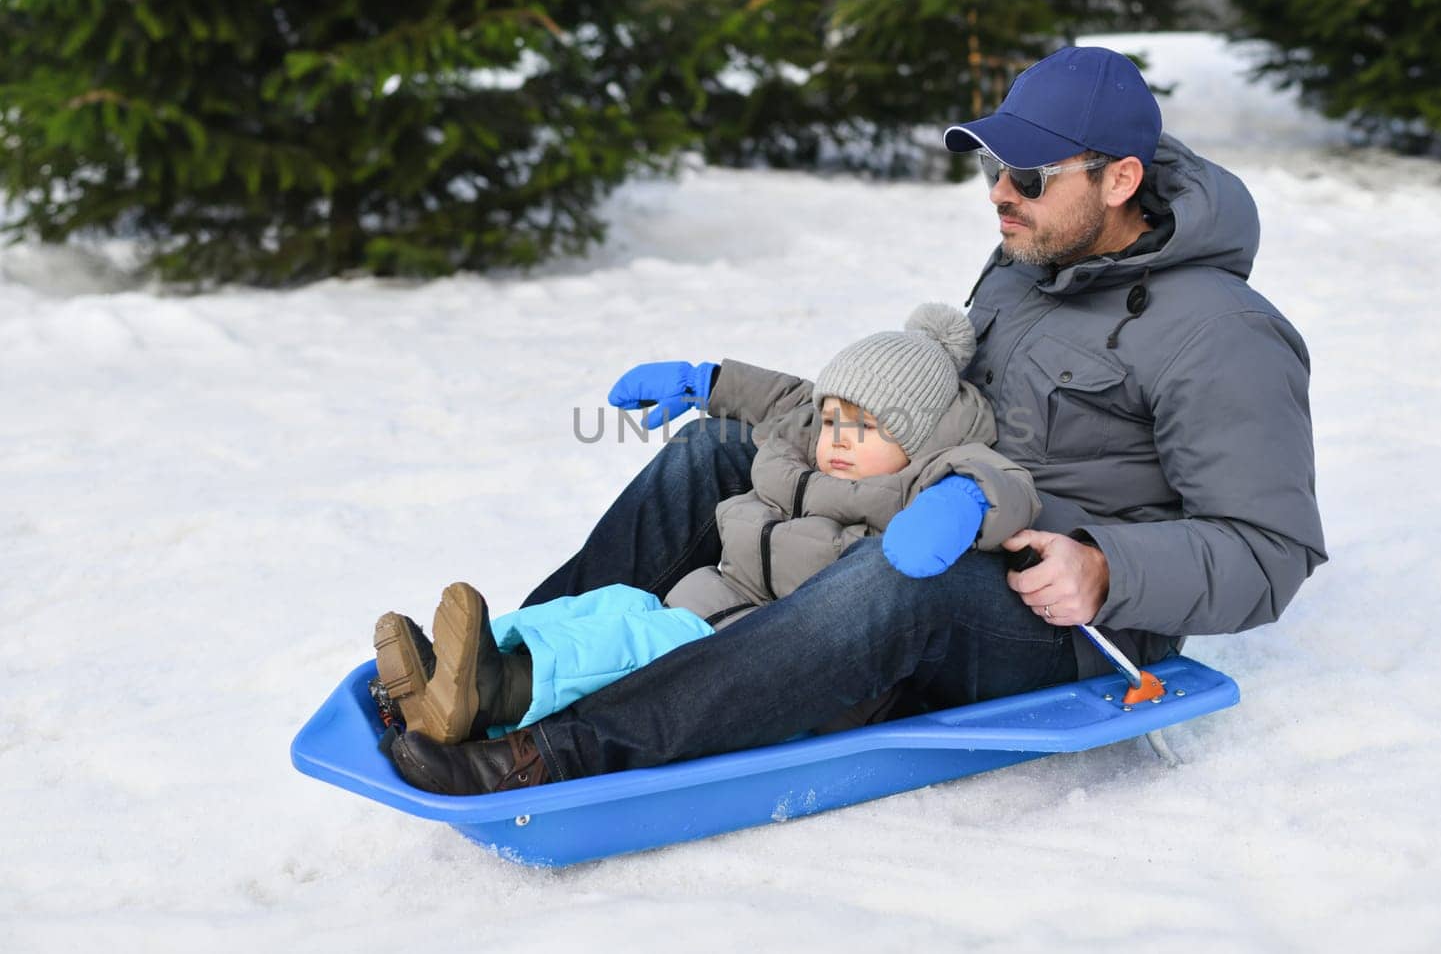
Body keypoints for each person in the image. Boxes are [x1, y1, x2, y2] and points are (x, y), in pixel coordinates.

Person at [384, 45, 1328, 795]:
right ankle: (503, 671)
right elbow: (929, 398)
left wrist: (1107, 568)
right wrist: (759, 398)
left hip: (1057, 608)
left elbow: (1270, 550)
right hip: (934, 500)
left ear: (1119, 180)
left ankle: (559, 755)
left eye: (1029, 176)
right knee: (724, 448)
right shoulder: (1023, 264)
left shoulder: (1223, 334)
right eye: (994, 167)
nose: (1001, 192)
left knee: (897, 580)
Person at [375, 304, 1040, 755]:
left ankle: (493, 697)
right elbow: (786, 398)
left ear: (917, 436)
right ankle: (464, 664)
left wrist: (963, 504)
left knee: (626, 640)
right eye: (834, 419)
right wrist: (708, 381)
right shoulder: (822, 442)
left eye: (864, 428)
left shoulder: (925, 477)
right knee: (607, 609)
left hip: (771, 648)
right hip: (713, 604)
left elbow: (1002, 483)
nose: (837, 439)